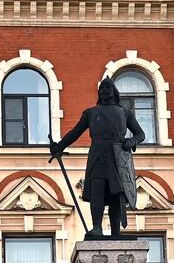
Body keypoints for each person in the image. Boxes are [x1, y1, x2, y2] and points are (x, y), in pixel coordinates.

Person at [49, 77, 145, 240]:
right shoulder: (91, 113)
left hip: (117, 155)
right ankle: (97, 228)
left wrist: (132, 141)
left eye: (107, 87)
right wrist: (59, 146)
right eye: (101, 88)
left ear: (114, 91)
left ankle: (116, 232)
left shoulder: (125, 112)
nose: (104, 90)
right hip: (98, 154)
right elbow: (75, 132)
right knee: (97, 191)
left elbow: (140, 134)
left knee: (115, 194)